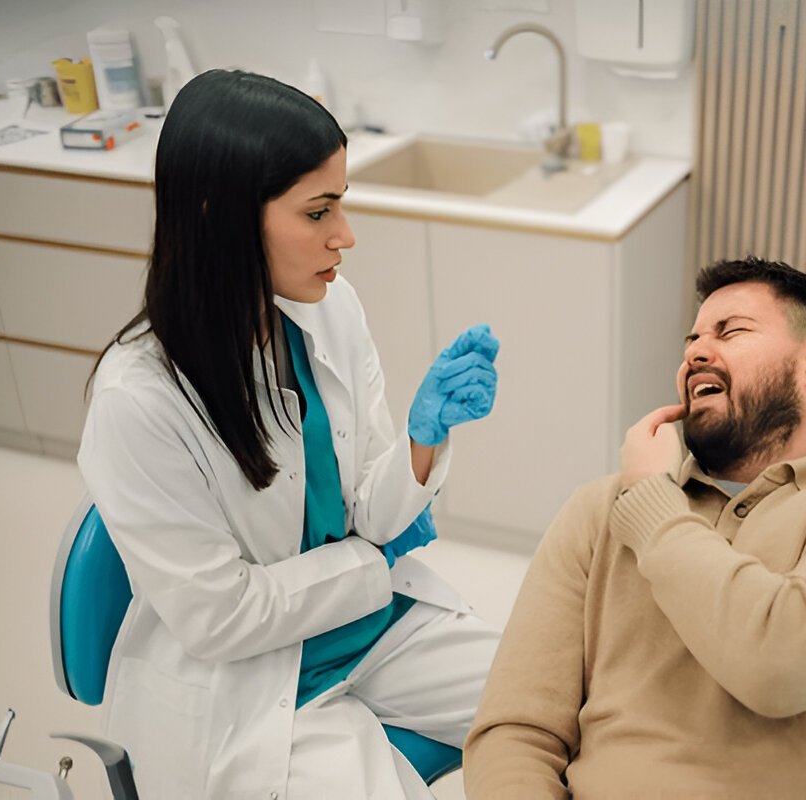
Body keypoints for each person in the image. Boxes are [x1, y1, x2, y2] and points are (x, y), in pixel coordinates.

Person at [77, 69, 501, 799]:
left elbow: (372, 512)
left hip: (372, 624)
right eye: (318, 212)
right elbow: (223, 617)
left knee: (569, 703)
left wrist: (423, 442)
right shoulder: (136, 401)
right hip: (250, 680)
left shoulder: (329, 311)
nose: (346, 236)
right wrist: (372, 560)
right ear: (221, 215)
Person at [464, 257, 806, 799]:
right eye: (693, 339)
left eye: (731, 331)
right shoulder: (599, 511)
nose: (695, 352)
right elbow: (516, 730)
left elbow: (781, 664)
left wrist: (653, 509)